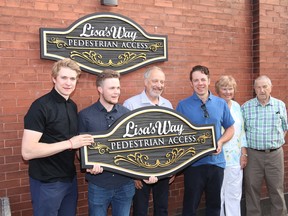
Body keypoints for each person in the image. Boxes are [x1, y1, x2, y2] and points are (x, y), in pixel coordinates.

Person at [78, 69, 158, 216]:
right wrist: (87, 164)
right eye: (112, 88)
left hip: (125, 184)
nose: (116, 92)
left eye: (118, 88)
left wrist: (146, 172)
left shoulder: (127, 114)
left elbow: (135, 147)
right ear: (100, 89)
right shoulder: (85, 116)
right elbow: (79, 150)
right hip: (99, 184)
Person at [21, 58, 94, 216]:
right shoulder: (40, 107)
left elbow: (75, 145)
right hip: (46, 182)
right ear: (54, 78)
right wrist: (69, 143)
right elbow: (27, 151)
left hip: (69, 179)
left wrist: (91, 160)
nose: (68, 83)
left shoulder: (72, 106)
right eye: (64, 78)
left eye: (73, 78)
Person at [176, 65, 235, 216]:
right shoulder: (183, 105)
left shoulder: (220, 103)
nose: (200, 83)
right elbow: (177, 135)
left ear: (209, 81)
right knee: (190, 207)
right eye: (196, 80)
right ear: (191, 83)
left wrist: (220, 142)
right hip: (193, 165)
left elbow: (230, 128)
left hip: (216, 163)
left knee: (214, 206)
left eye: (203, 79)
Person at [123, 66, 174, 216]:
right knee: (140, 209)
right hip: (139, 169)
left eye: (162, 82)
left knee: (162, 208)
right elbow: (125, 142)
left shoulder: (168, 105)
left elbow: (172, 140)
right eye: (155, 81)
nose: (159, 85)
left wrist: (173, 168)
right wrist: (133, 174)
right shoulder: (130, 105)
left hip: (164, 167)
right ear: (145, 82)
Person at [241, 75, 287, 216]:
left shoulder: (280, 105)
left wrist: (275, 142)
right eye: (258, 87)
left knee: (277, 189)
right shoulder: (246, 107)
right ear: (254, 89)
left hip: (275, 154)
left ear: (270, 88)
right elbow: (242, 132)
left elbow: (285, 127)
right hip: (253, 155)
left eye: (265, 86)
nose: (262, 90)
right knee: (251, 189)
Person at [215, 75, 248, 216]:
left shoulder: (236, 107)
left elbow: (241, 132)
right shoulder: (213, 105)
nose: (228, 92)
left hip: (235, 158)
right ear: (218, 90)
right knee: (218, 195)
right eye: (224, 89)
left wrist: (244, 153)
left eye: (231, 89)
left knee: (234, 194)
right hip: (218, 158)